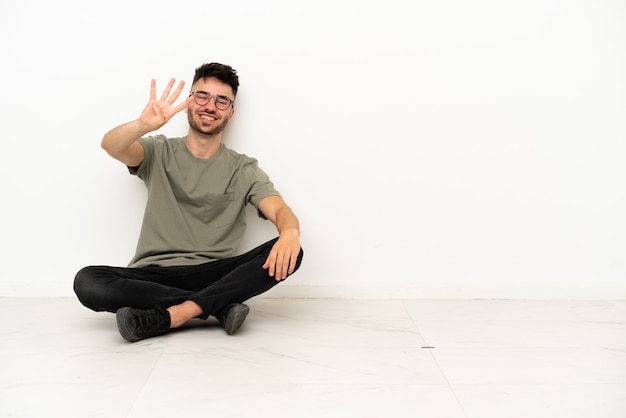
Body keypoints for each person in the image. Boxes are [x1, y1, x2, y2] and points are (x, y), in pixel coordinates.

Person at [74, 63, 303, 343]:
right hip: (153, 276)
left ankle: (178, 314)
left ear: (230, 114)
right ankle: (217, 306)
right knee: (87, 281)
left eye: (222, 100)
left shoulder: (243, 168)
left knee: (292, 251)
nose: (210, 106)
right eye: (202, 96)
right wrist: (142, 125)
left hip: (215, 274)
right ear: (188, 103)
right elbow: (112, 146)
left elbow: (279, 210)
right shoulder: (158, 151)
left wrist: (290, 233)